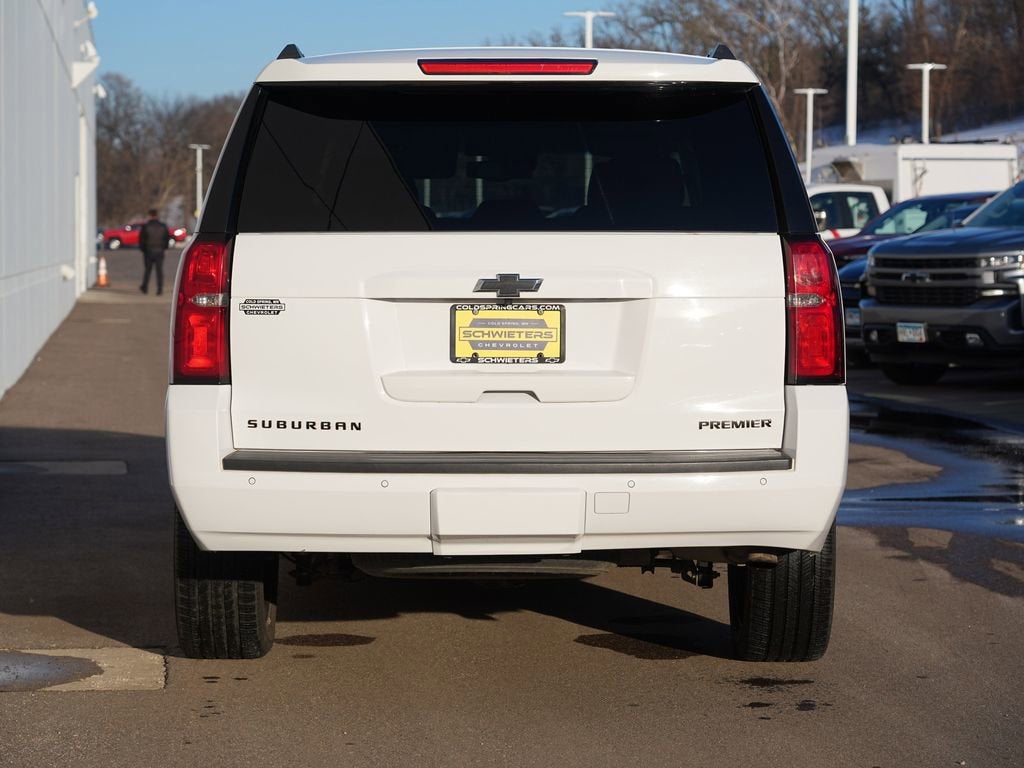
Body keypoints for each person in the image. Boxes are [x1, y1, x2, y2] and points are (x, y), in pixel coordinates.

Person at [137, 208, 171, 295]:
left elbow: (142, 240)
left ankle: (145, 287)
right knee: (159, 271)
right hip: (160, 251)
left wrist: (143, 250)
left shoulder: (146, 226)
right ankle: (159, 289)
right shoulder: (163, 226)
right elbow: (167, 238)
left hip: (148, 251)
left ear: (149, 215)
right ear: (157, 215)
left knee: (147, 270)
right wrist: (165, 248)